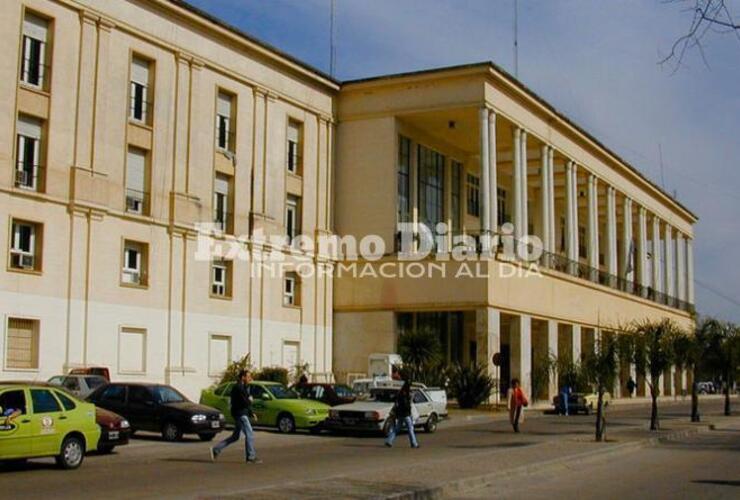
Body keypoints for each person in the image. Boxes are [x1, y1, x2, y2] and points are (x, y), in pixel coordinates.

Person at [210, 370, 261, 464]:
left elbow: (245, 402)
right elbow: (245, 402)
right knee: (249, 434)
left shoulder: (243, 387)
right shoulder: (239, 388)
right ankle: (250, 457)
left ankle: (216, 449)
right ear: (243, 377)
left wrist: (251, 412)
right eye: (248, 376)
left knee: (235, 436)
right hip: (240, 414)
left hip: (241, 413)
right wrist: (250, 401)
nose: (250, 378)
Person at [384, 381, 419, 448]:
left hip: (400, 415)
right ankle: (414, 444)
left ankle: (389, 441)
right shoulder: (405, 396)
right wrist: (411, 399)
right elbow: (407, 406)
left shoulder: (400, 394)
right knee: (410, 429)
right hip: (406, 415)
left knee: (397, 429)